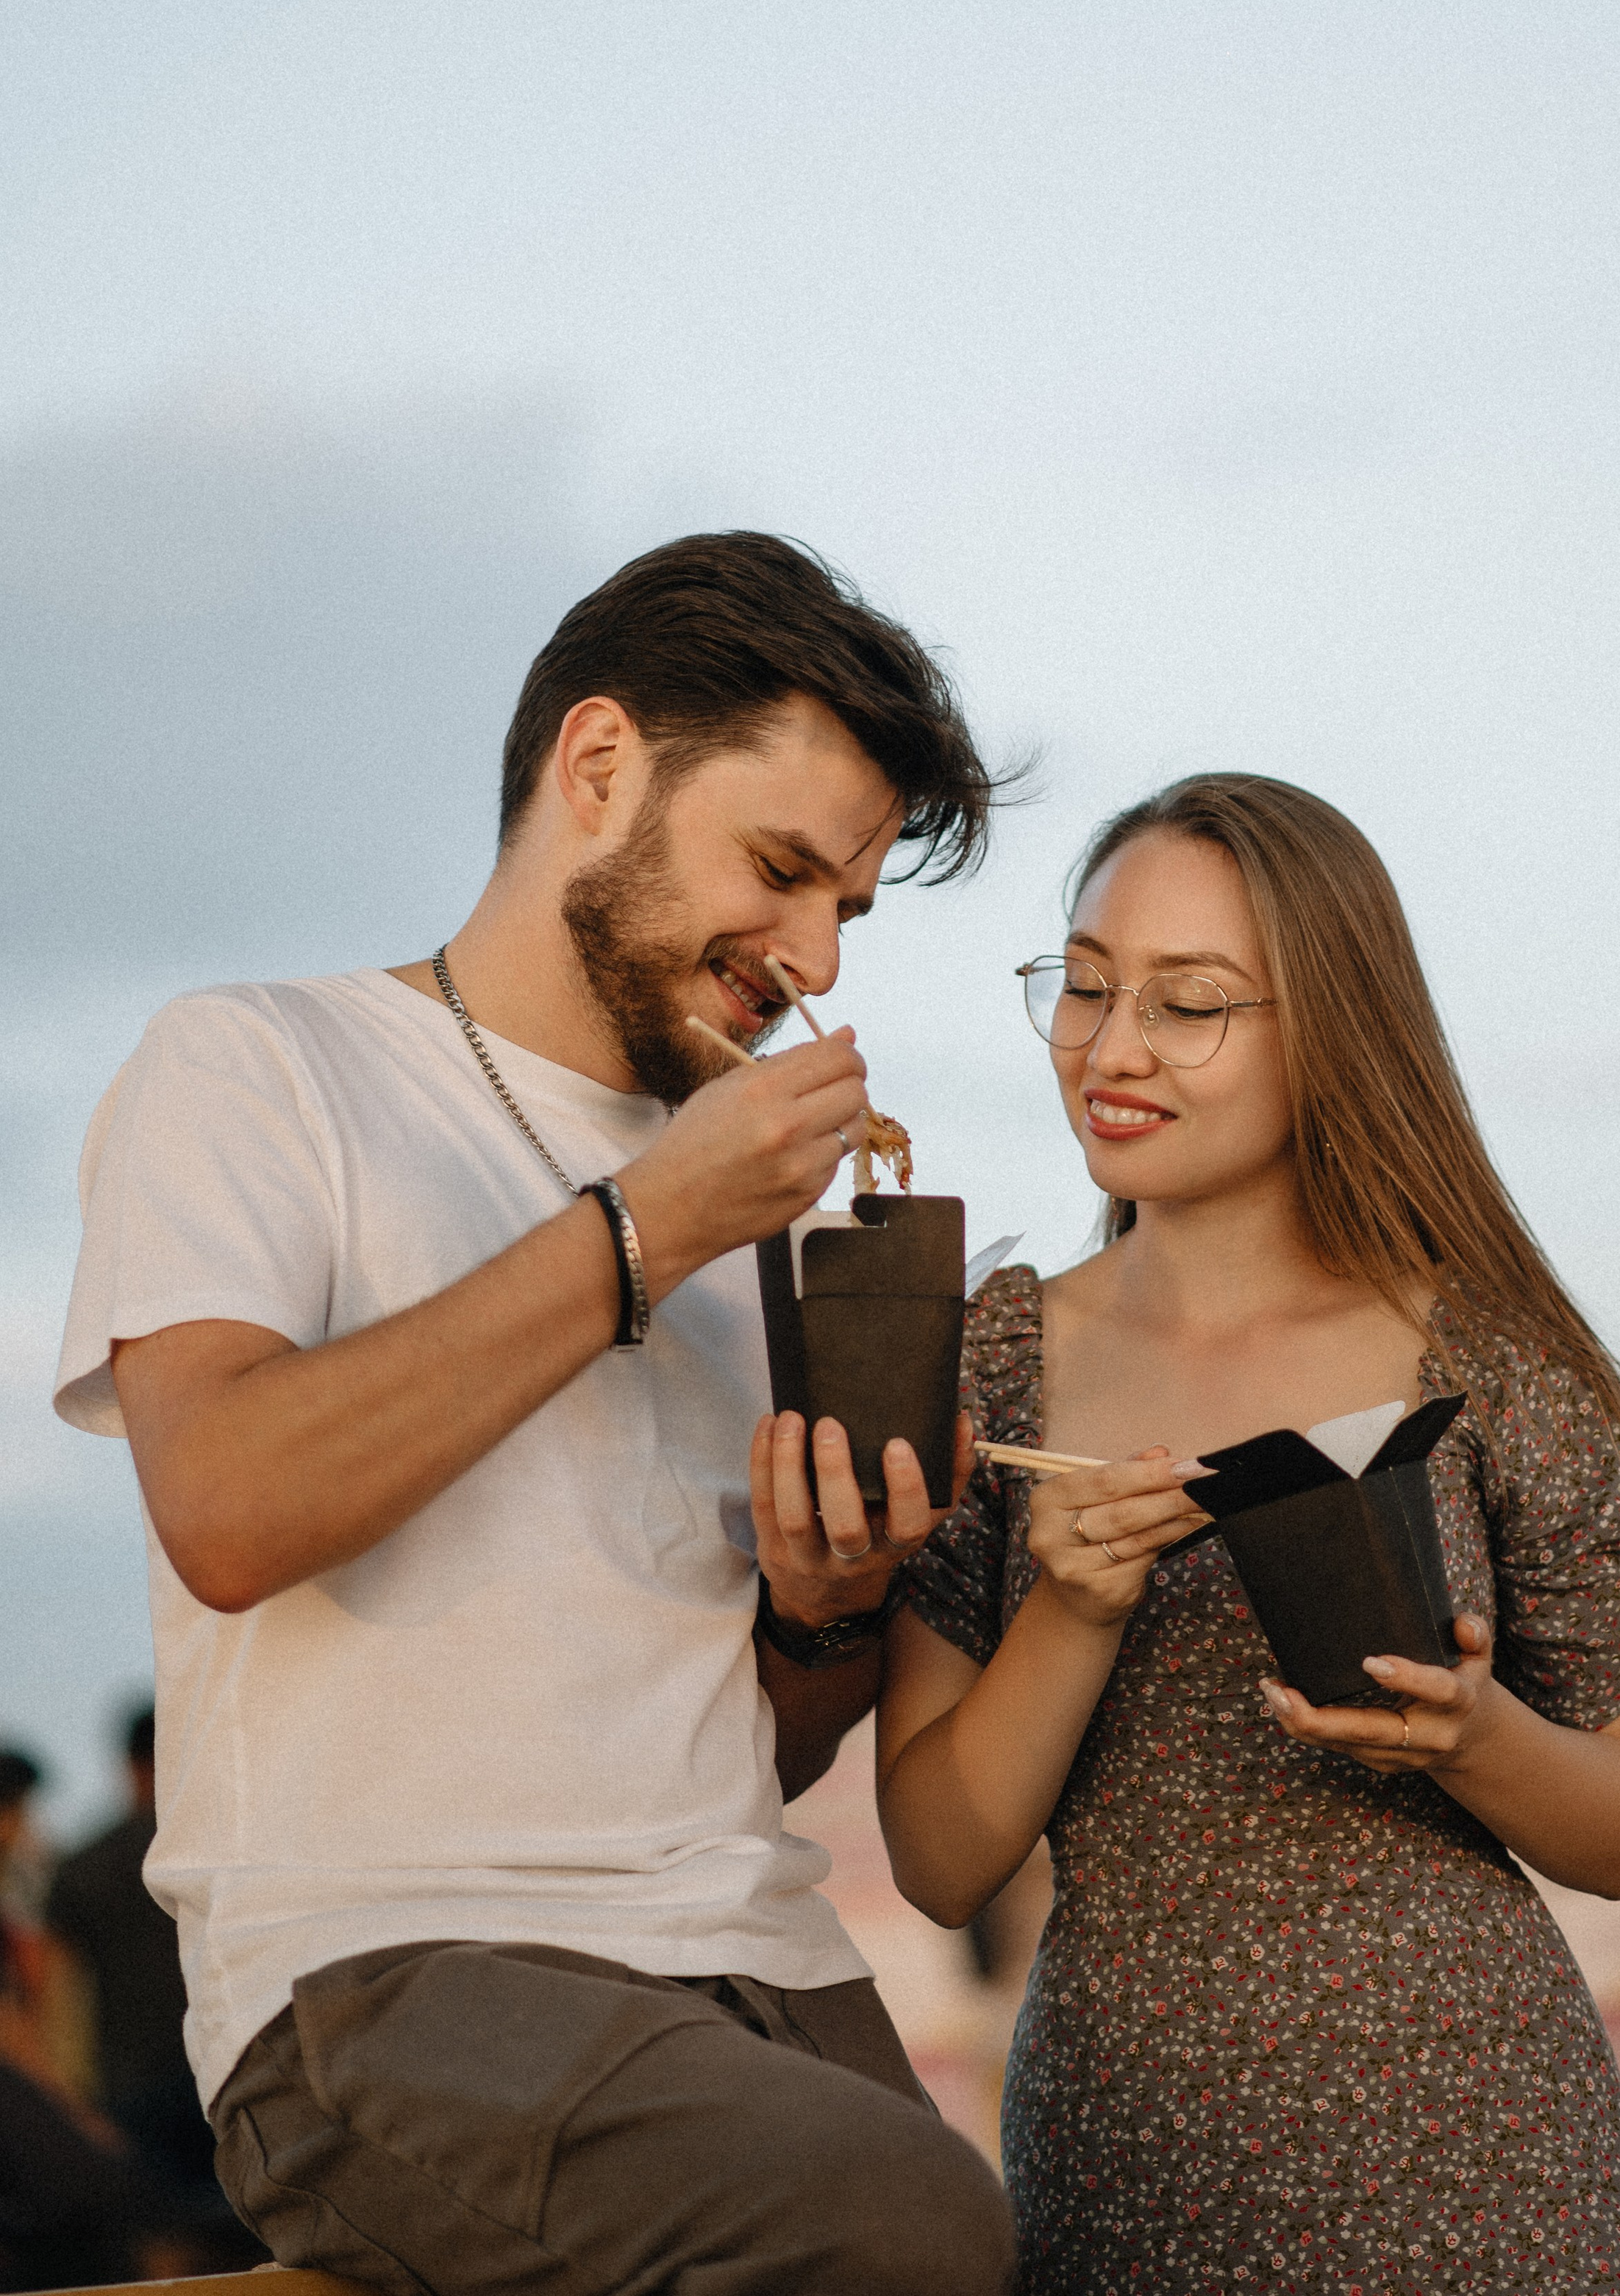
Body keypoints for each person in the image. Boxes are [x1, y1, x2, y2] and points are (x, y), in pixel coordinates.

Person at [54, 532, 1017, 2296]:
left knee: (1023, 2240)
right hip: (388, 1974)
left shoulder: (755, 1212)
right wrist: (644, 1230)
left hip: (756, 1964)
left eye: (845, 912)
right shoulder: (257, 1062)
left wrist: (833, 1597)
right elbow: (229, 1504)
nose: (810, 956)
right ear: (597, 767)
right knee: (905, 2227)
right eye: (780, 867)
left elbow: (763, 1741)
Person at [879, 774, 1620, 2294]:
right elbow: (937, 1858)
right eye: (1083, 983)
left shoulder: (1491, 1357)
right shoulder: (989, 1363)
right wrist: (1067, 1612)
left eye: (1187, 1005)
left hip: (1488, 2174)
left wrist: (1469, 1736)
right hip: (1130, 2177)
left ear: (1326, 1029)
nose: (1110, 1049)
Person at [46, 1704, 228, 2197]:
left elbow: (55, 1994)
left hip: (125, 2084)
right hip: (221, 2070)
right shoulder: (217, 1856)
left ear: (127, 1763)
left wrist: (69, 2098)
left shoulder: (83, 1864)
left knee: (157, 2241)